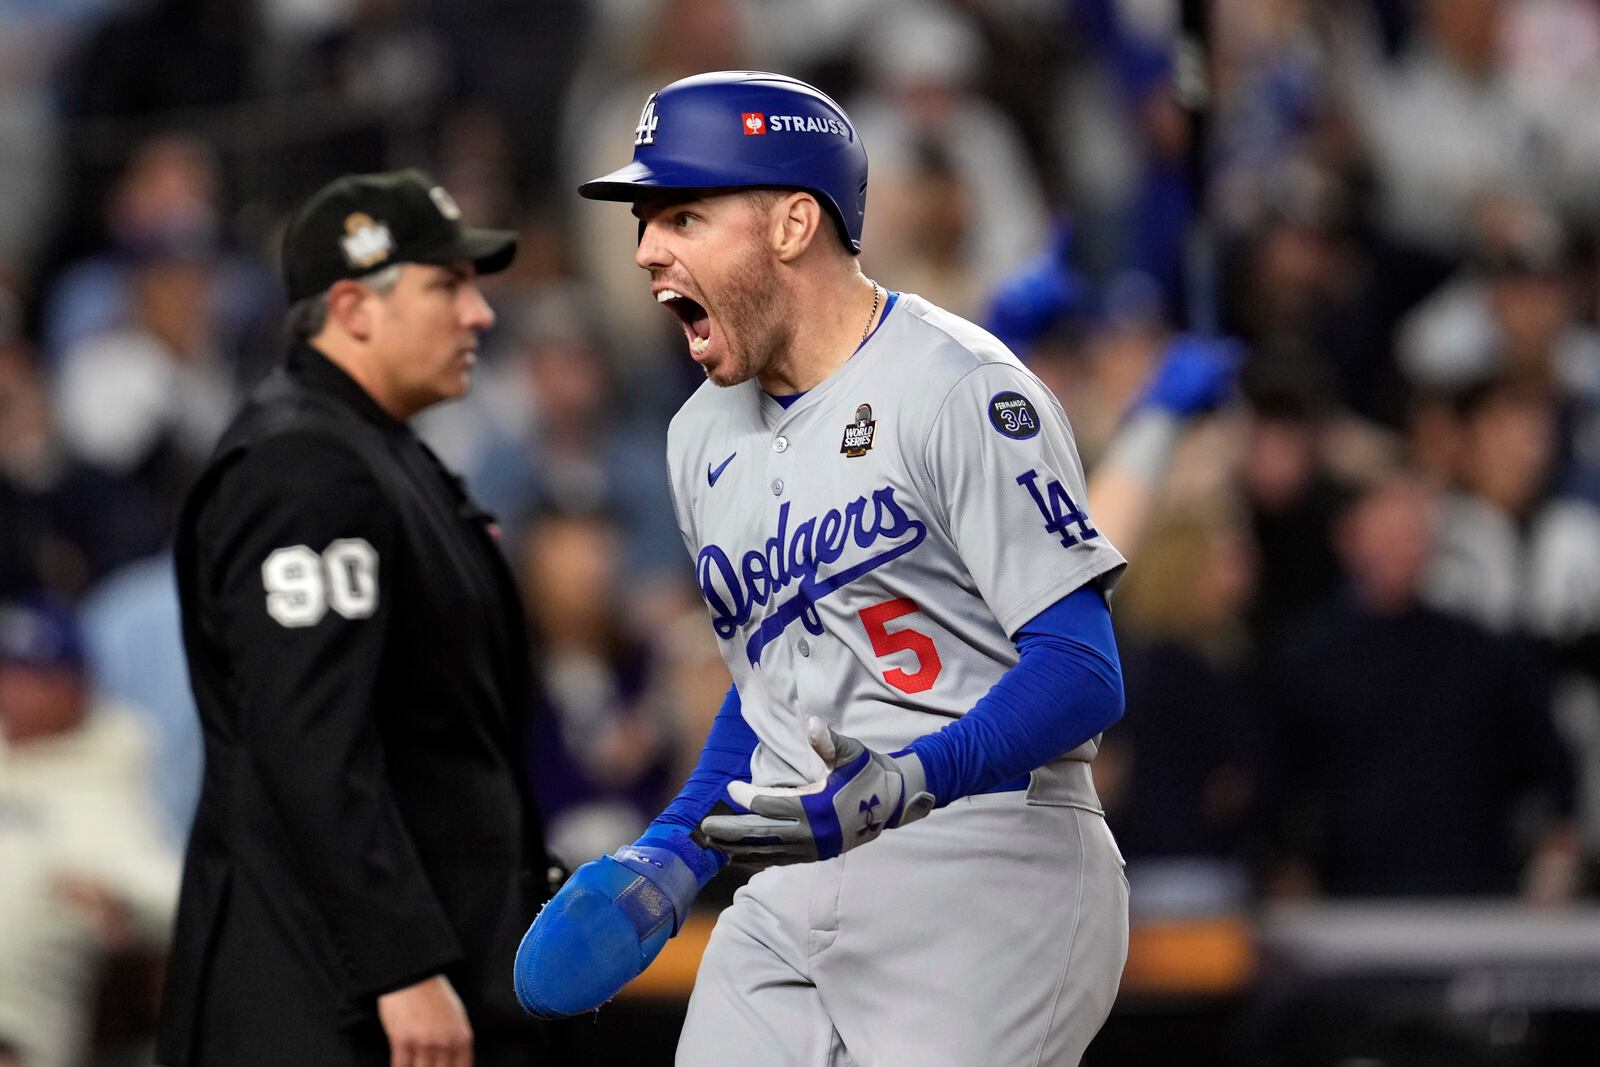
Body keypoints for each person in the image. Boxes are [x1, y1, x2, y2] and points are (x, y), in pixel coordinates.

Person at [515, 72, 1130, 1065]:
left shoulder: (958, 386)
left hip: (991, 857)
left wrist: (904, 782)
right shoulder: (697, 435)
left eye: (682, 215)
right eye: (644, 221)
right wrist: (676, 846)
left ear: (794, 223)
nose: (644, 251)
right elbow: (774, 695)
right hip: (796, 866)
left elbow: (1082, 667)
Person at [156, 169, 559, 1067]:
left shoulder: (376, 451)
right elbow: (311, 740)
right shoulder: (303, 468)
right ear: (354, 305)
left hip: (384, 991)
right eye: (446, 285)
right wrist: (402, 962)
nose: (479, 314)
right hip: (326, 1007)